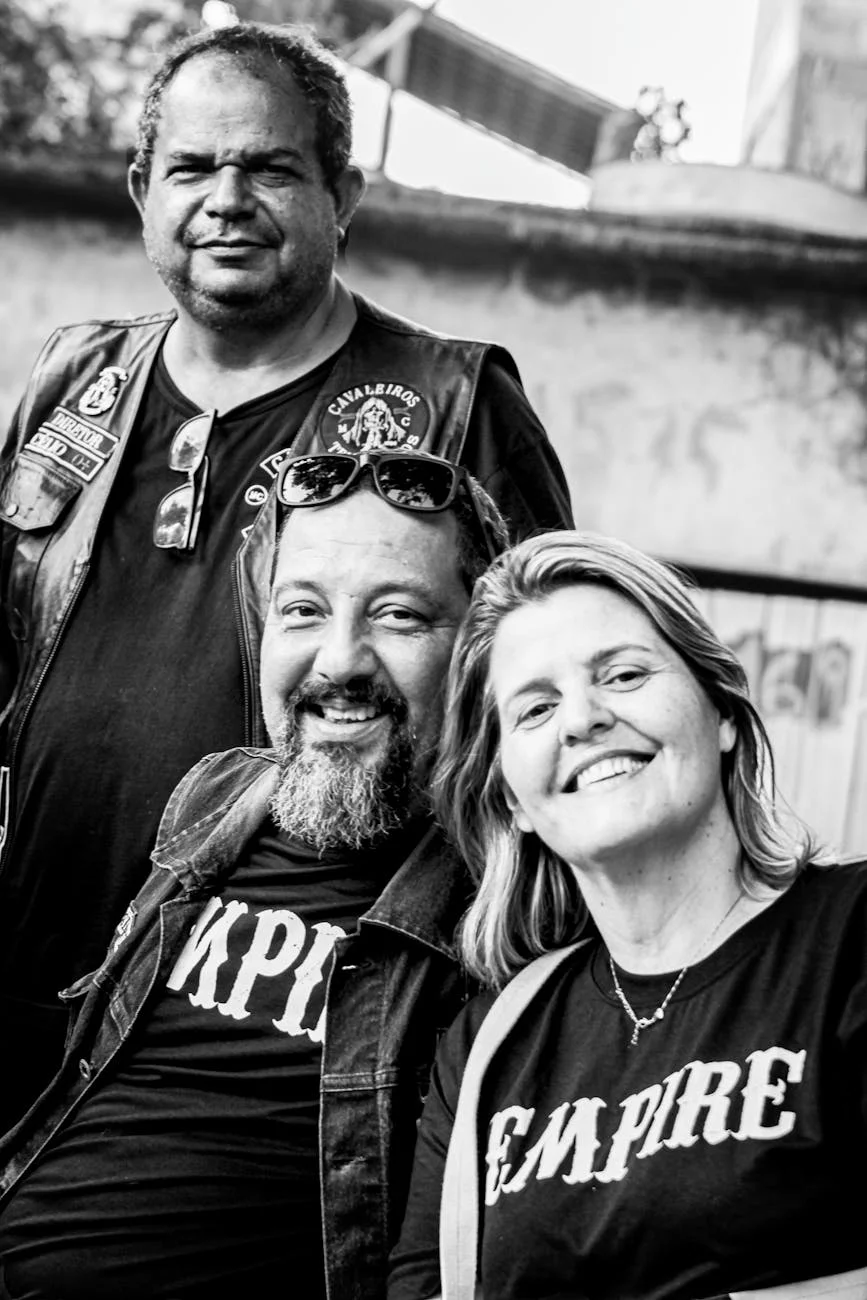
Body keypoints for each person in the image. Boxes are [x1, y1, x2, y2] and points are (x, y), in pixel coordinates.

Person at [0, 21, 573, 1131]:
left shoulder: (455, 403)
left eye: (269, 168)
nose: (226, 200)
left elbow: (530, 711)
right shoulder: (73, 376)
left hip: (262, 1020)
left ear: (340, 194)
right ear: (143, 190)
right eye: (192, 168)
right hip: (28, 964)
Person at [0, 451, 509, 1299]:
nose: (339, 663)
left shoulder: (507, 888)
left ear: (479, 653)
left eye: (399, 616)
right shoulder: (215, 796)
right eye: (301, 610)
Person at [388, 531, 867, 1300]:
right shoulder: (489, 1043)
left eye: (623, 674)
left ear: (721, 713)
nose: (582, 719)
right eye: (536, 708)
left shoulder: (850, 936)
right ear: (512, 800)